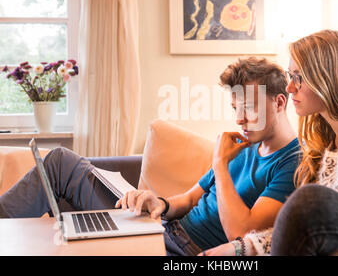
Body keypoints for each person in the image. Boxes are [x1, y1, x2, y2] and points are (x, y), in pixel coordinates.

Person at [0, 57, 301, 256]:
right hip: (162, 229)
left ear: (279, 102)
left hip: (181, 252)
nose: (239, 119)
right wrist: (160, 203)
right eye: (235, 108)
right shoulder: (244, 144)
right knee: (59, 162)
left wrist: (220, 163)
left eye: (248, 107)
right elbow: (191, 199)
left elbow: (243, 233)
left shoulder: (292, 162)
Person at [202, 30, 338, 256]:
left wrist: (242, 249)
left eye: (298, 77)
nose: (289, 88)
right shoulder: (334, 139)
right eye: (290, 76)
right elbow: (322, 228)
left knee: (308, 201)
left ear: (328, 78)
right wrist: (241, 248)